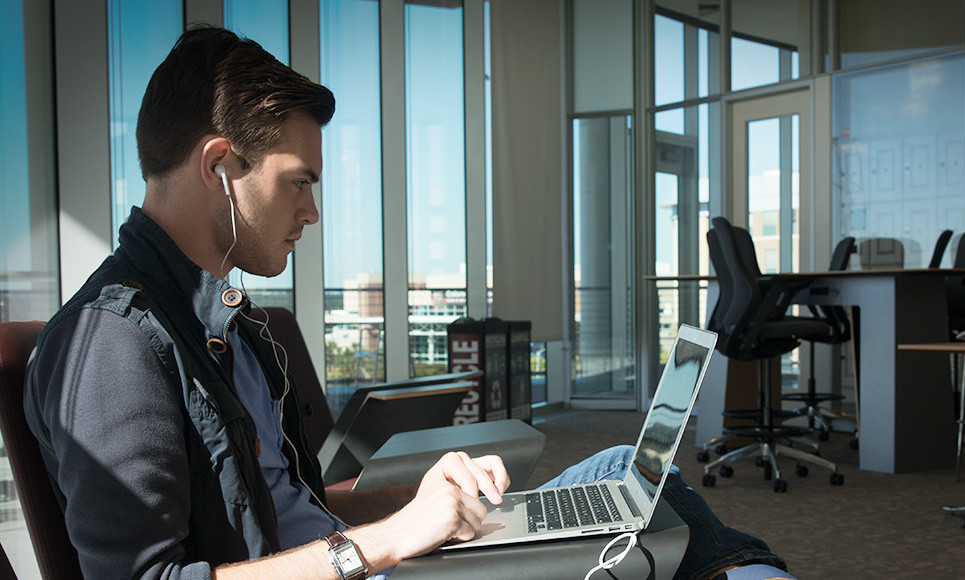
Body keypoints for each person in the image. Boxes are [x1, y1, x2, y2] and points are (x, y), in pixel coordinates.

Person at [24, 25, 791, 580]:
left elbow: (278, 506)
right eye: (300, 181)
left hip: (371, 564)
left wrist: (413, 503)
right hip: (372, 571)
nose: (312, 212)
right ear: (221, 165)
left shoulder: (223, 323)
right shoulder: (115, 347)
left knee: (627, 471)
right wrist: (392, 542)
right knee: (658, 529)